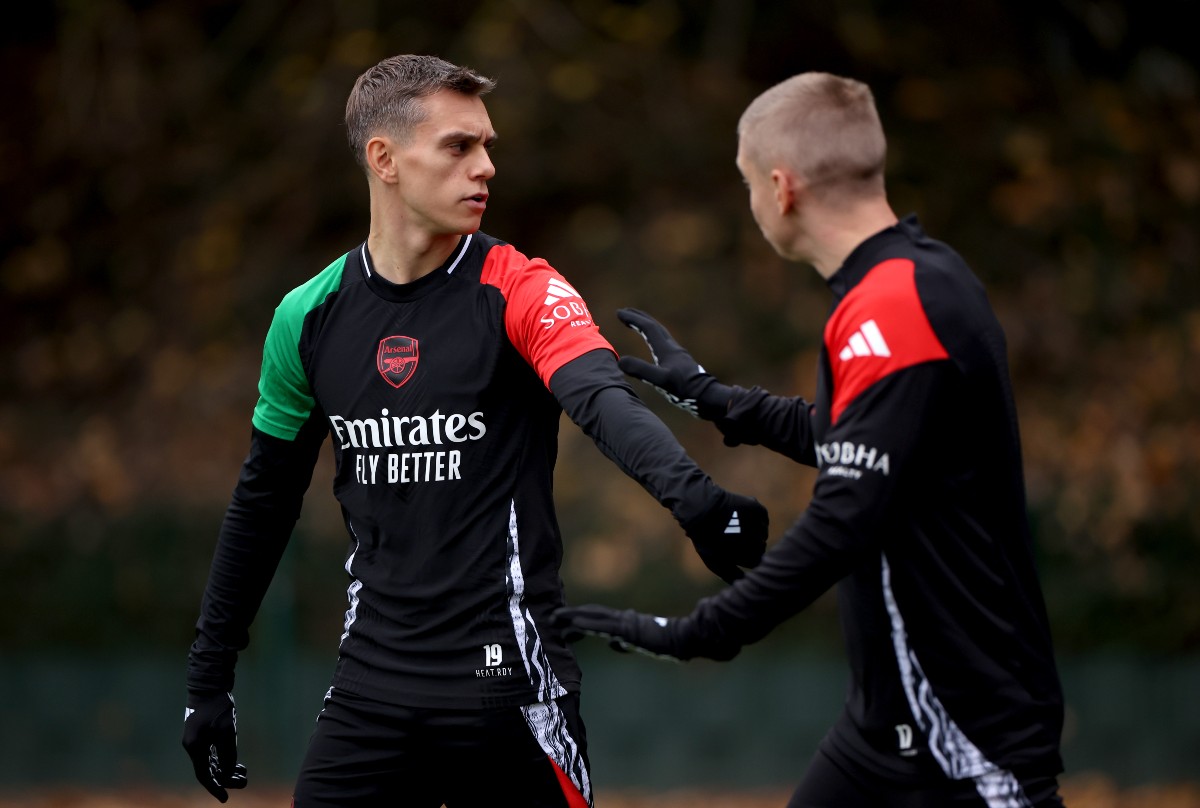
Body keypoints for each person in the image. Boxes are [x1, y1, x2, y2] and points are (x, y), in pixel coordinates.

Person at [180, 54, 768, 807]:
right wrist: (208, 679)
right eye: (459, 147)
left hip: (511, 692)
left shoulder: (521, 286)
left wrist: (693, 500)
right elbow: (263, 501)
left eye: (488, 146)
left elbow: (599, 396)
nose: (486, 167)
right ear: (384, 160)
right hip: (370, 691)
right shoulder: (307, 317)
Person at [553, 72, 1067, 807]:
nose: (752, 201)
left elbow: (843, 520)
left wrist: (696, 632)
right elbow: (861, 439)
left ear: (782, 186)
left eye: (746, 183)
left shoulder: (893, 309)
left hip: (960, 725)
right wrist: (712, 397)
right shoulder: (918, 281)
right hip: (881, 729)